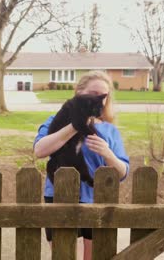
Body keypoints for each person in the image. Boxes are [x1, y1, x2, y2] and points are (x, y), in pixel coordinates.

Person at [33, 70, 129, 260]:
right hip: (60, 198)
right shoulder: (56, 120)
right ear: (78, 92)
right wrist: (75, 125)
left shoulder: (109, 130)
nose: (99, 100)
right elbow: (40, 150)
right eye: (93, 93)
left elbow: (123, 172)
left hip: (98, 201)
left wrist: (107, 153)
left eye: (103, 96)